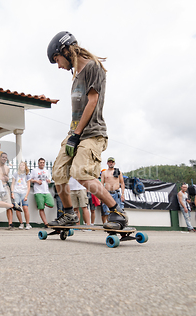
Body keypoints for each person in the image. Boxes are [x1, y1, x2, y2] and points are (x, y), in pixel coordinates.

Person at [47, 31, 127, 230]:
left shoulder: (93, 67)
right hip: (74, 132)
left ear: (65, 51)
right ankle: (68, 214)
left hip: (91, 132)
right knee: (58, 172)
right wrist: (73, 135)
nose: (58, 65)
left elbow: (93, 101)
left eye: (57, 59)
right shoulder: (76, 76)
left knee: (81, 172)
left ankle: (117, 211)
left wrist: (76, 135)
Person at [29, 158, 54, 227]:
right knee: (41, 208)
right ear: (38, 163)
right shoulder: (34, 170)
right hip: (38, 191)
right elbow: (30, 179)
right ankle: (46, 223)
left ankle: (42, 203)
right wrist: (36, 181)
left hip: (46, 191)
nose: (42, 164)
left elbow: (50, 179)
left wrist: (49, 181)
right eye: (40, 162)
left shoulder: (47, 171)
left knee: (51, 204)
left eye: (43, 162)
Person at [100, 157, 125, 224]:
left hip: (116, 193)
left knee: (118, 210)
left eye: (112, 162)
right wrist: (101, 195)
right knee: (106, 210)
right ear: (107, 163)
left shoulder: (118, 172)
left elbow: (122, 183)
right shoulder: (104, 173)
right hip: (107, 193)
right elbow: (101, 184)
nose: (111, 163)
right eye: (109, 162)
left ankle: (117, 223)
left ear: (114, 163)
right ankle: (107, 224)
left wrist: (123, 194)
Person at [11, 161, 32, 230]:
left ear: (25, 167)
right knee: (17, 208)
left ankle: (28, 224)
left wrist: (26, 196)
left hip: (24, 192)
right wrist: (12, 193)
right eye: (20, 165)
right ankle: (21, 223)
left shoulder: (27, 175)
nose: (22, 166)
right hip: (16, 192)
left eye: (23, 165)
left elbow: (29, 186)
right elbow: (13, 184)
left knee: (25, 208)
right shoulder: (15, 174)